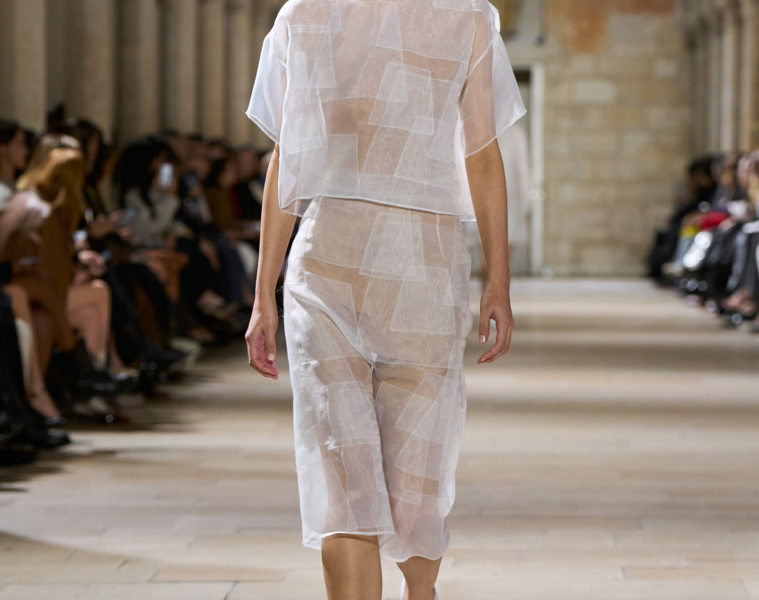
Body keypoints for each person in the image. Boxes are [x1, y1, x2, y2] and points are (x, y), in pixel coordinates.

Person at [244, 1, 525, 599]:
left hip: (334, 259)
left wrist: (264, 292)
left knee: (351, 473)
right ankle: (421, 594)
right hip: (417, 260)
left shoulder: (305, 15)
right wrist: (497, 280)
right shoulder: (465, 17)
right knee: (405, 473)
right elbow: (481, 155)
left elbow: (287, 158)